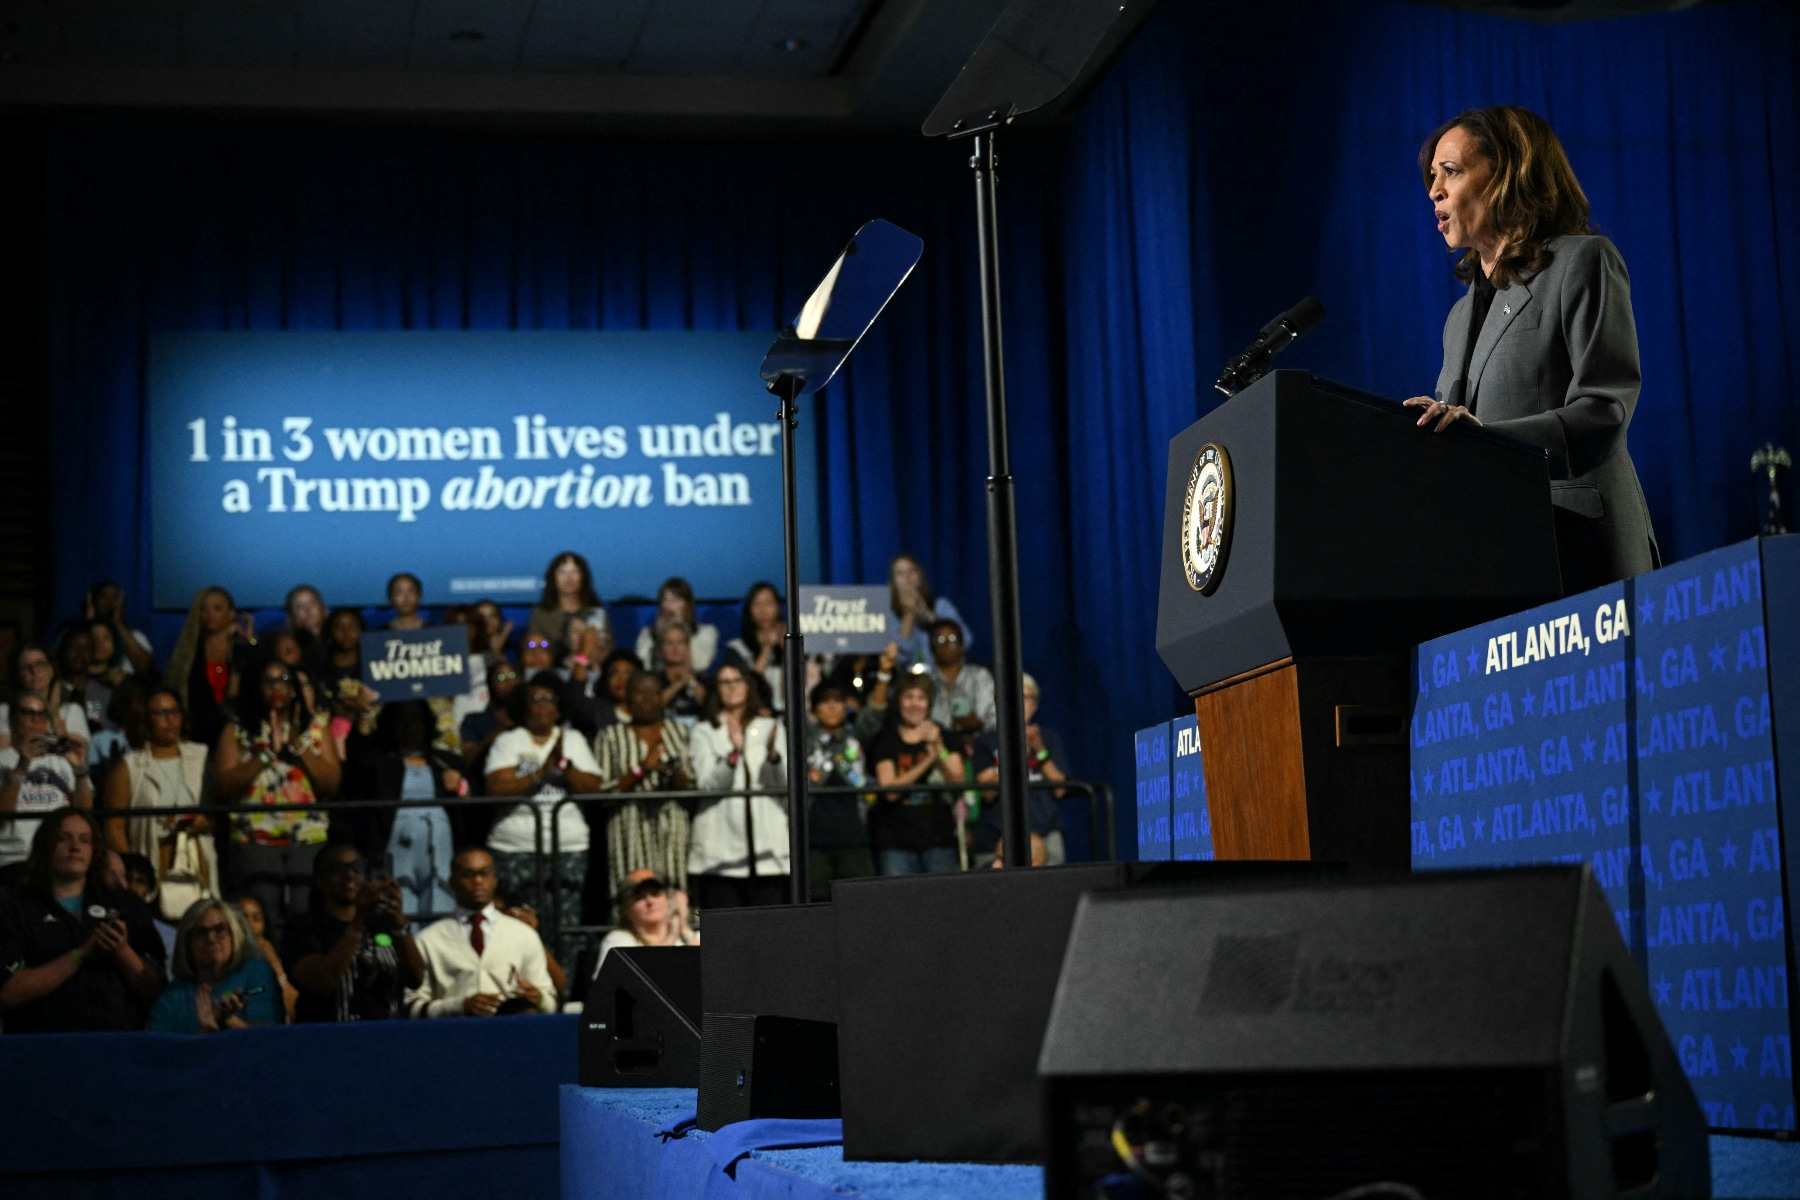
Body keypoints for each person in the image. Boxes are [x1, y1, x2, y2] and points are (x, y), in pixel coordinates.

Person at [1405, 105, 1658, 595]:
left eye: (1451, 172)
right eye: (1432, 177)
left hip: (1580, 550)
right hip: (1495, 563)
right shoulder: (1457, 320)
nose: (1434, 190)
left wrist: (1489, 443)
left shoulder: (1583, 262)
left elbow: (1604, 410)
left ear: (1506, 173)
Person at [0, 808, 166, 1032]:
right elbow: (10, 994)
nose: (75, 847)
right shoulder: (18, 909)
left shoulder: (125, 905)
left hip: (116, 1047)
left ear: (95, 850)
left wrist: (122, 951)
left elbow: (156, 989)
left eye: (85, 840)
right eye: (64, 838)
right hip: (42, 1050)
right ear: (46, 846)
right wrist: (80, 955)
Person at [215, 660, 342, 926]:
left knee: (304, 913)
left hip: (306, 837)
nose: (277, 687)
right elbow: (225, 786)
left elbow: (331, 784)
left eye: (284, 680)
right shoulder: (237, 729)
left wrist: (296, 744)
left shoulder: (315, 727)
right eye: (268, 681)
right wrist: (266, 754)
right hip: (255, 840)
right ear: (257, 688)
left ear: (295, 688)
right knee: (264, 917)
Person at [483, 676, 603, 959]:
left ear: (559, 708)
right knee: (519, 927)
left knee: (564, 929)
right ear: (523, 707)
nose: (543, 706)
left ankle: (561, 995)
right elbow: (496, 786)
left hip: (568, 848)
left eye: (549, 700)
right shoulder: (508, 741)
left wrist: (566, 768)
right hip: (516, 848)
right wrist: (541, 773)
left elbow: (594, 786)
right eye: (535, 700)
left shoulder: (572, 740)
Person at [100, 685, 217, 911]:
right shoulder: (130, 766)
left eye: (175, 712)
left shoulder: (200, 756)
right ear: (145, 719)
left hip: (195, 857)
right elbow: (114, 828)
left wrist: (205, 822)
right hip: (153, 858)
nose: (170, 720)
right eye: (161, 713)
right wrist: (133, 874)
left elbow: (215, 812)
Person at [281, 843, 423, 1022]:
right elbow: (322, 982)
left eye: (357, 867)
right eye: (337, 869)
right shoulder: (303, 928)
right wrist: (358, 923)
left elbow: (416, 979)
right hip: (329, 1040)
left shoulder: (383, 922)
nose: (349, 875)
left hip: (387, 1037)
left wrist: (400, 923)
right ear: (320, 880)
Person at [686, 662, 789, 910]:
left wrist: (773, 757)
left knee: (769, 931)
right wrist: (733, 755)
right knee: (729, 935)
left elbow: (784, 785)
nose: (731, 687)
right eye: (724, 682)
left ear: (748, 686)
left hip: (769, 852)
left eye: (737, 680)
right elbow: (707, 785)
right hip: (721, 852)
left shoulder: (770, 728)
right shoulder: (705, 730)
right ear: (716, 689)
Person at [407, 847, 555, 1017]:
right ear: (452, 882)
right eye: (468, 875)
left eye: (484, 874)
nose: (477, 881)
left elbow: (550, 999)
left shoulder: (523, 934)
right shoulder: (429, 939)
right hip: (455, 1036)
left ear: (495, 880)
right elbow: (411, 1005)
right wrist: (458, 1006)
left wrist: (539, 999)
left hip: (512, 1034)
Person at [349, 700, 464, 919]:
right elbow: (356, 764)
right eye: (403, 719)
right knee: (400, 899)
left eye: (417, 719)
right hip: (395, 844)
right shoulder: (380, 761)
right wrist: (364, 714)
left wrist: (461, 786)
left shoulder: (446, 761)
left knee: (440, 897)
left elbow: (474, 802)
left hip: (439, 843)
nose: (411, 726)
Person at [594, 671, 693, 910]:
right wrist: (641, 770)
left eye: (654, 693)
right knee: (633, 893)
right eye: (640, 692)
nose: (647, 699)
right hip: (629, 826)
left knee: (673, 890)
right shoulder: (610, 736)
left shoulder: (679, 732)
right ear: (627, 698)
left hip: (673, 826)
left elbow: (691, 783)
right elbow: (603, 791)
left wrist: (671, 772)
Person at [970, 673, 1070, 867]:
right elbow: (988, 793)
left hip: (1045, 830)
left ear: (1035, 705)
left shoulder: (1047, 739)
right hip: (997, 833)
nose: (1019, 703)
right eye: (1012, 696)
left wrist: (1039, 751)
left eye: (1026, 697)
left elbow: (1060, 789)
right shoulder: (986, 741)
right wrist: (1014, 752)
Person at [868, 675, 964, 876]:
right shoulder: (887, 739)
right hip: (896, 842)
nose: (915, 704)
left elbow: (958, 781)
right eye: (908, 697)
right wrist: (928, 760)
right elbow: (890, 791)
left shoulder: (944, 736)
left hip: (939, 839)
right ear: (899, 701)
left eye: (921, 698)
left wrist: (938, 747)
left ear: (928, 703)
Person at [146, 899, 284, 1032]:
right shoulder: (173, 995)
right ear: (187, 943)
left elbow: (269, 1037)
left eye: (220, 929)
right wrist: (205, 1032)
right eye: (200, 932)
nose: (211, 939)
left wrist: (229, 1021)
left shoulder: (257, 974)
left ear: (235, 934)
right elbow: (156, 1051)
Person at [0, 693, 95, 876]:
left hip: (58, 859)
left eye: (42, 715)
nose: (36, 720)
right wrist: (22, 766)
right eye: (28, 713)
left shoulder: (62, 762)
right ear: (13, 719)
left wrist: (81, 771)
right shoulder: (3, 760)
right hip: (14, 860)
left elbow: (84, 811)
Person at [164, 586, 257, 751]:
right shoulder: (189, 653)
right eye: (203, 609)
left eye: (217, 608)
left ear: (231, 614)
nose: (209, 615)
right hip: (197, 736)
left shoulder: (242, 649)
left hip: (238, 736)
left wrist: (249, 643)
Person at [804, 683, 873, 900]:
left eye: (838, 701)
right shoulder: (802, 743)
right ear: (814, 711)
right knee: (817, 909)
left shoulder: (856, 739)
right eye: (825, 702)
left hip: (853, 837)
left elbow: (875, 715)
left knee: (858, 905)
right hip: (813, 841)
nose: (832, 707)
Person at [593, 871, 696, 975]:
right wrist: (672, 936)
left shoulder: (691, 938)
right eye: (639, 897)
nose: (650, 901)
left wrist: (684, 929)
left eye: (655, 894)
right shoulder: (618, 941)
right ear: (625, 909)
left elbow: (710, 969)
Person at [0, 640, 91, 757]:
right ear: (18, 675)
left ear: (51, 670)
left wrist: (53, 714)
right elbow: (5, 756)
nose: (34, 671)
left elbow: (77, 757)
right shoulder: (5, 711)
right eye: (26, 667)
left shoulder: (71, 711)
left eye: (40, 665)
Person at [528, 551, 614, 665]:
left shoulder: (597, 613)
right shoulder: (540, 615)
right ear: (553, 577)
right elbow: (533, 651)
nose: (569, 578)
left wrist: (583, 648)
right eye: (562, 572)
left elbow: (605, 651)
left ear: (583, 577)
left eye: (575, 572)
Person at [888, 555, 970, 672]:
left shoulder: (940, 605)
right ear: (893, 581)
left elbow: (965, 640)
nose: (907, 577)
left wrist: (927, 615)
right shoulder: (889, 614)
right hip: (909, 682)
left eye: (912, 570)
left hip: (943, 677)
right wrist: (909, 614)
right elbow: (899, 657)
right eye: (900, 573)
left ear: (920, 576)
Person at [925, 618, 996, 748]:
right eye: (940, 640)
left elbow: (996, 718)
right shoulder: (926, 681)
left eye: (952, 640)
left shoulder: (980, 676)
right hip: (938, 750)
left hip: (980, 747)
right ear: (931, 647)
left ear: (962, 645)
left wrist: (978, 724)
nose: (946, 645)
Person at [231, 892, 299, 1022]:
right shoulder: (224, 964)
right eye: (243, 918)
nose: (250, 924)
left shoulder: (272, 960)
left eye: (257, 918)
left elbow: (293, 1009)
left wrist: (274, 964)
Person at [723, 582, 787, 713]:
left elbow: (795, 688)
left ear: (778, 608)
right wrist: (767, 649)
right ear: (749, 610)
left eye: (769, 603)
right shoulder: (736, 648)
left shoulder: (792, 645)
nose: (763, 610)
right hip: (752, 715)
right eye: (757, 604)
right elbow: (748, 687)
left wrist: (787, 651)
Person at [633, 577, 718, 673]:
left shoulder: (706, 632)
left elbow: (700, 664)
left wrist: (681, 628)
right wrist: (659, 637)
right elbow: (644, 666)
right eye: (665, 600)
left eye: (676, 599)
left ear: (687, 604)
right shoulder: (647, 634)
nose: (669, 606)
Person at [84, 581, 155, 678]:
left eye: (114, 597)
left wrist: (118, 623)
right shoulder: (79, 633)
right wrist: (88, 623)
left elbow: (144, 668)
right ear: (93, 600)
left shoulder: (135, 636)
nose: (109, 601)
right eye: (104, 596)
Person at [119, 852, 180, 960]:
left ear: (149, 889)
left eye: (140, 881)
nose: (132, 887)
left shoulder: (169, 937)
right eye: (127, 879)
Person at [653, 622, 707, 722]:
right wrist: (679, 684)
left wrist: (691, 681)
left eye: (680, 642)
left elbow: (710, 706)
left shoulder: (702, 680)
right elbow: (652, 707)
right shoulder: (654, 680)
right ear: (661, 649)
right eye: (669, 643)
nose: (675, 647)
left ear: (688, 647)